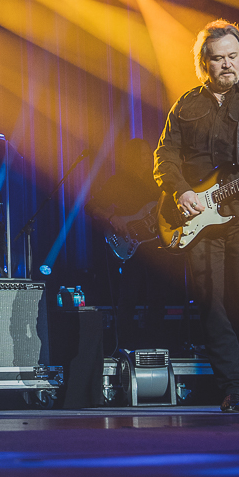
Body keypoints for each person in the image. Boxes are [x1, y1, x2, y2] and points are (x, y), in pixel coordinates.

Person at [155, 20, 239, 412]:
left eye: (233, 56)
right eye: (218, 59)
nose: (227, 64)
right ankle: (234, 388)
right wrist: (180, 191)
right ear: (204, 64)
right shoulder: (186, 104)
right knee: (211, 302)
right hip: (197, 219)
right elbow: (164, 156)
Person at [88, 137, 170, 350]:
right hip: (129, 246)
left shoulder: (159, 181)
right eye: (142, 155)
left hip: (156, 246)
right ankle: (123, 346)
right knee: (127, 299)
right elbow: (92, 206)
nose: (147, 159)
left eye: (148, 155)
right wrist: (111, 218)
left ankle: (156, 346)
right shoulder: (118, 181)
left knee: (157, 298)